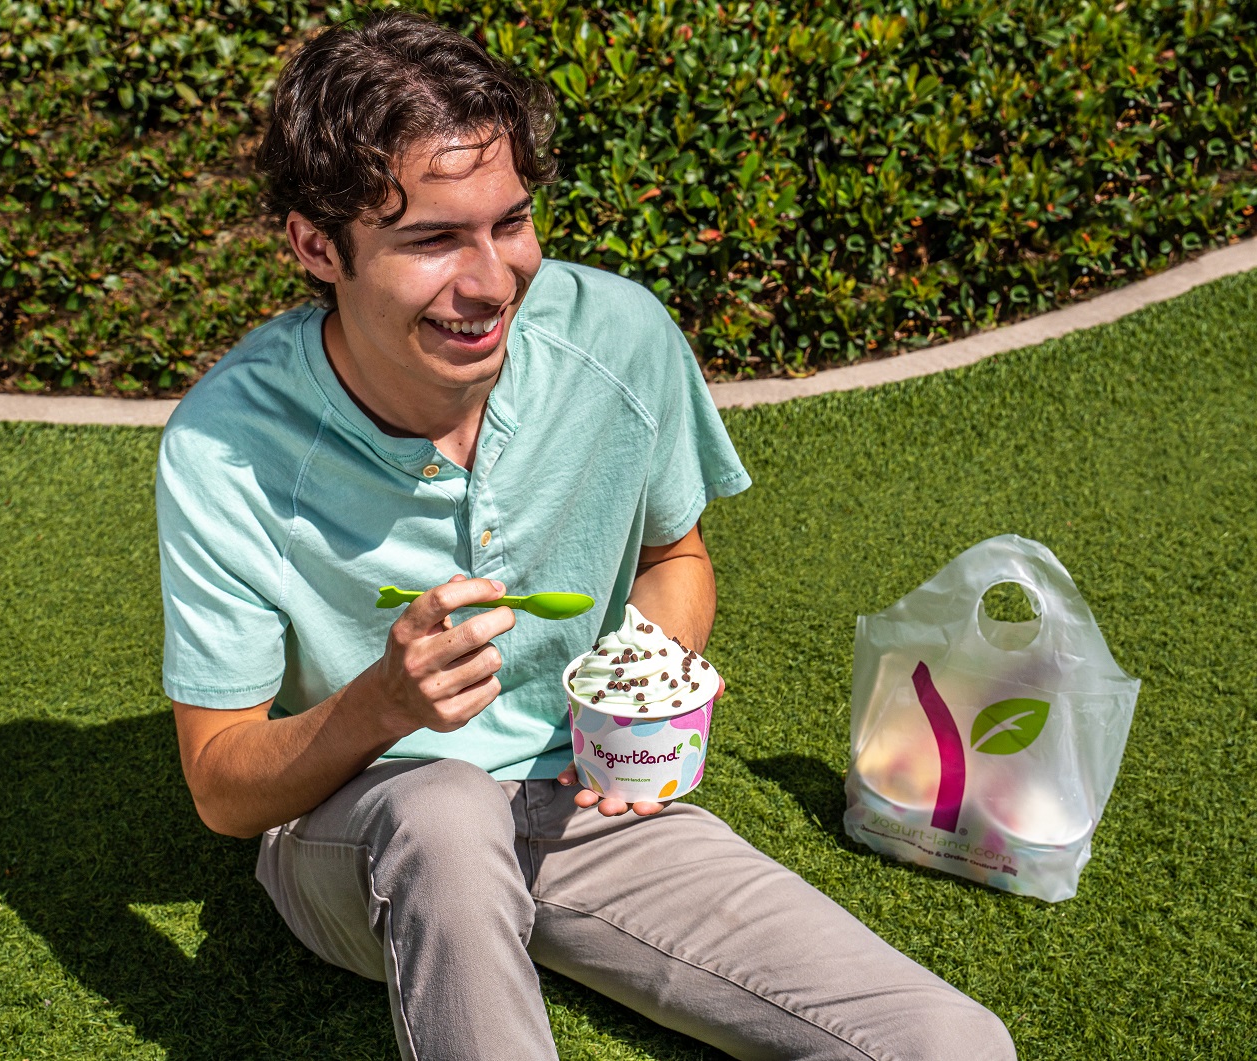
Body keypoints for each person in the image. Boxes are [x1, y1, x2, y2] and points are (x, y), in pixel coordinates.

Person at [156, 10, 1017, 1060]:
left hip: (584, 802)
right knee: (444, 808)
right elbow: (223, 785)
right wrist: (382, 702)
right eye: (432, 239)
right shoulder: (227, 444)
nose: (491, 281)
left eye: (511, 222)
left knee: (948, 1040)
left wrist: (636, 696)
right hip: (358, 825)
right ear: (315, 245)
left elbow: (673, 558)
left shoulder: (618, 336)